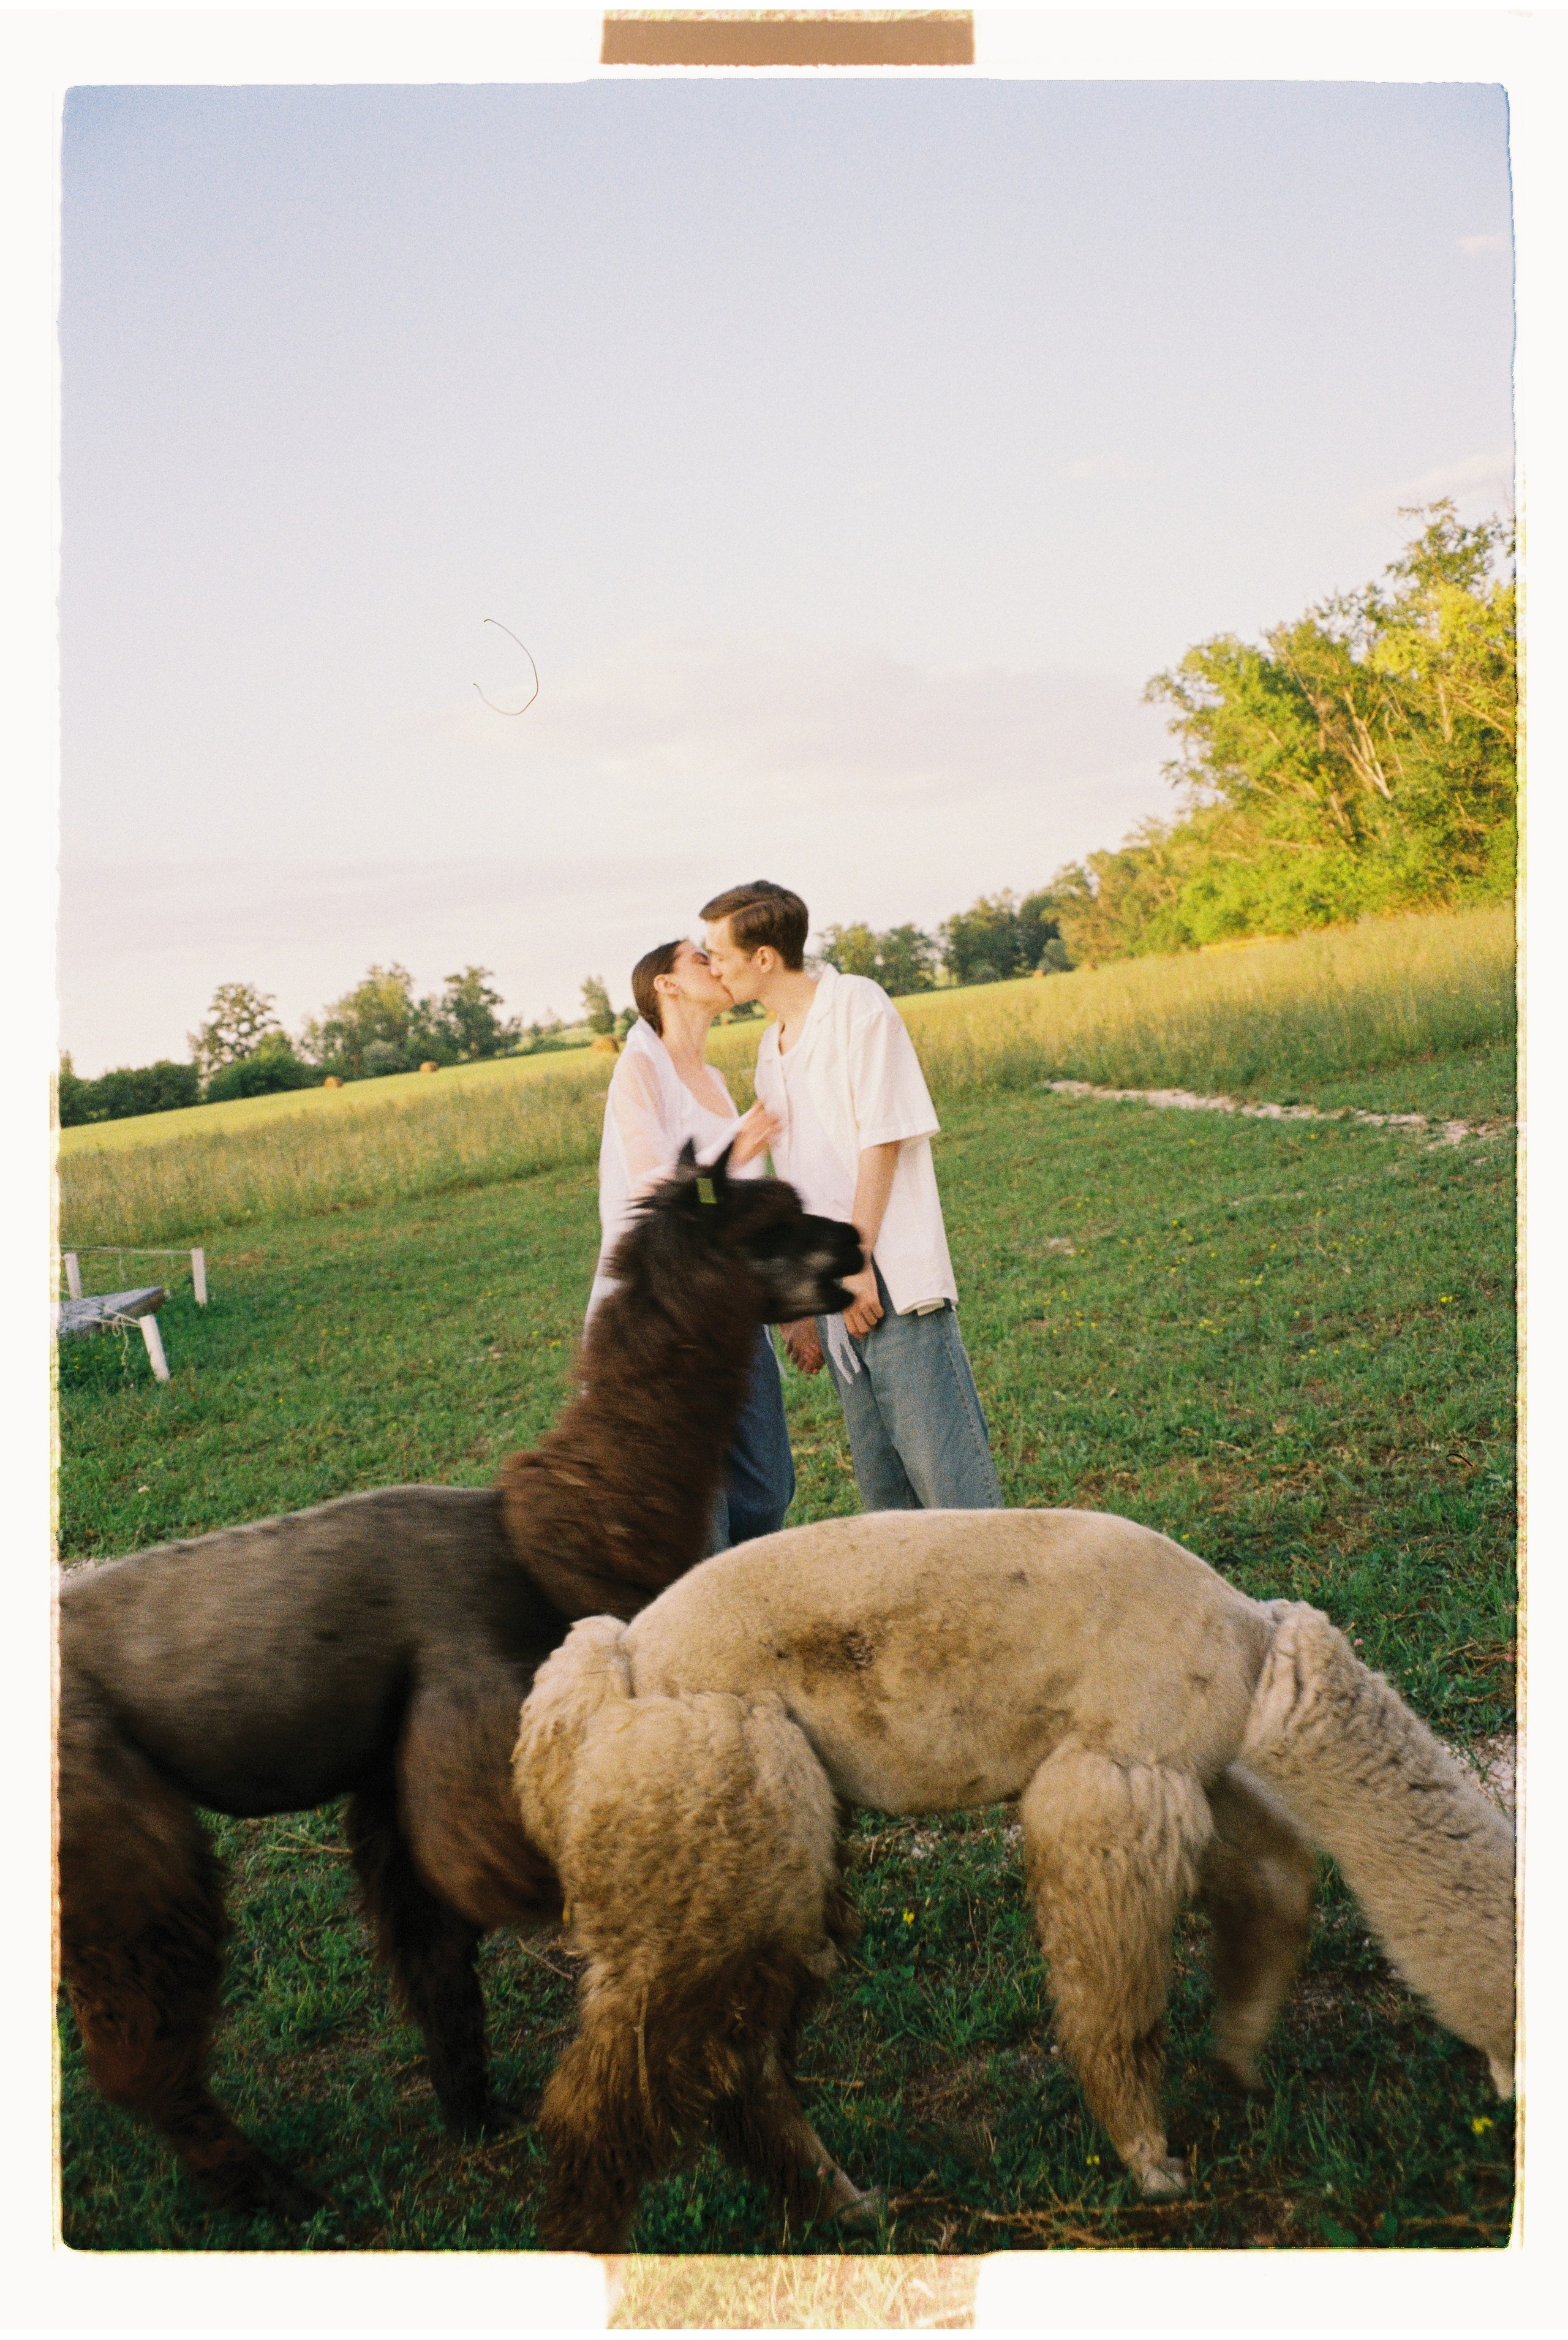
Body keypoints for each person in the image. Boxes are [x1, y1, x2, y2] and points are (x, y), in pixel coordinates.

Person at [699, 880, 1003, 1513]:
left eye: (719, 954)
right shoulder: (770, 1048)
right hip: (835, 1287)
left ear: (763, 958)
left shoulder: (856, 1005)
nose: (713, 969)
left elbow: (882, 1138)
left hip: (885, 1271)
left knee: (950, 1482)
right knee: (886, 1494)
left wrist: (859, 1260)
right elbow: (798, 1180)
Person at [589, 937, 794, 1552]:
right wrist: (733, 1151)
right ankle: (705, 1625)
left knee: (768, 1486)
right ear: (666, 986)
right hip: (668, 1317)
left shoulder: (711, 1078)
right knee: (699, 1501)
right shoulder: (639, 1068)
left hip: (731, 1311)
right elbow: (654, 1188)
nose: (716, 963)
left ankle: (730, 1591)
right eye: (699, 958)